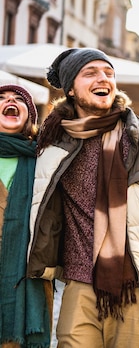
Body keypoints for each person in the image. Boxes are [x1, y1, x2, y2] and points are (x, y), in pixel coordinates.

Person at [26, 48, 139, 347]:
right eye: (90, 73)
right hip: (78, 285)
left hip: (137, 288)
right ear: (71, 90)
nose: (103, 78)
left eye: (108, 73)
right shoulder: (52, 145)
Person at [0, 84, 52, 347]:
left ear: (30, 116)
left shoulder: (45, 162)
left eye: (18, 99)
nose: (9, 101)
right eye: (1, 98)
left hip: (26, 278)